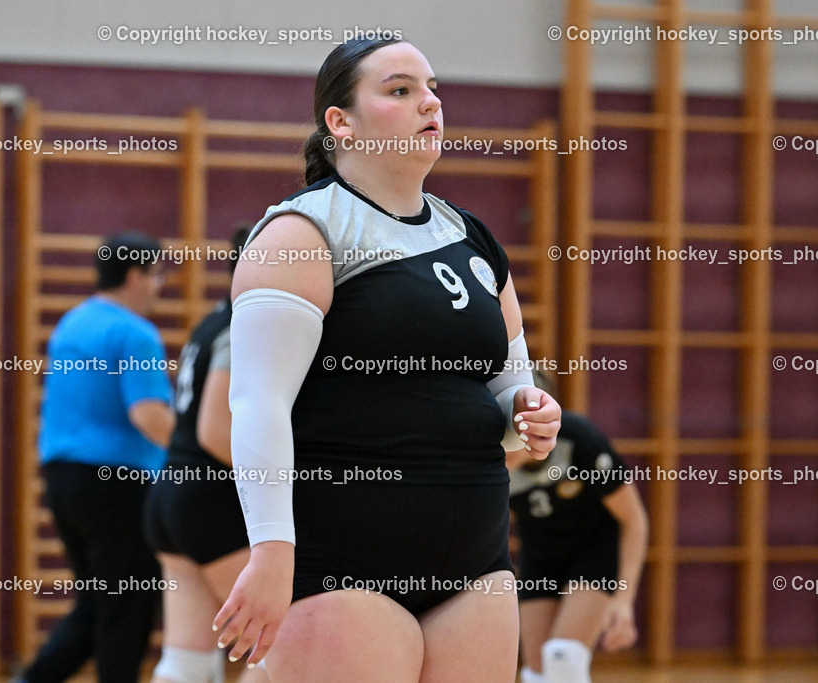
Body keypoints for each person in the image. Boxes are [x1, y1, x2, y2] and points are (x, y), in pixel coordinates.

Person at [211, 38, 562, 682]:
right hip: (338, 561)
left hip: (474, 561)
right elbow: (257, 405)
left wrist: (529, 411)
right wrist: (270, 550)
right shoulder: (302, 233)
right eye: (400, 90)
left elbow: (510, 383)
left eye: (432, 88)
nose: (428, 102)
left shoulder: (471, 236)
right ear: (339, 122)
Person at [17, 232, 175, 683]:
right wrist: (201, 455)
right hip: (117, 483)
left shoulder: (72, 324)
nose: (160, 286)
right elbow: (148, 415)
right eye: (157, 275)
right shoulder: (135, 333)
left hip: (63, 479)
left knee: (100, 601)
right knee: (129, 604)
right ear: (134, 276)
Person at [143, 226, 269, 683]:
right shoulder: (247, 323)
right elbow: (216, 431)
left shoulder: (215, 318)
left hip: (173, 496)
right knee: (284, 646)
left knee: (187, 663)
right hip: (209, 500)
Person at [509, 374, 648, 683]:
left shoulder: (581, 443)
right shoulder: (490, 459)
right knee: (536, 673)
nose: (502, 448)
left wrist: (623, 601)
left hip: (593, 550)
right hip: (540, 554)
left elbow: (634, 521)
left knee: (562, 658)